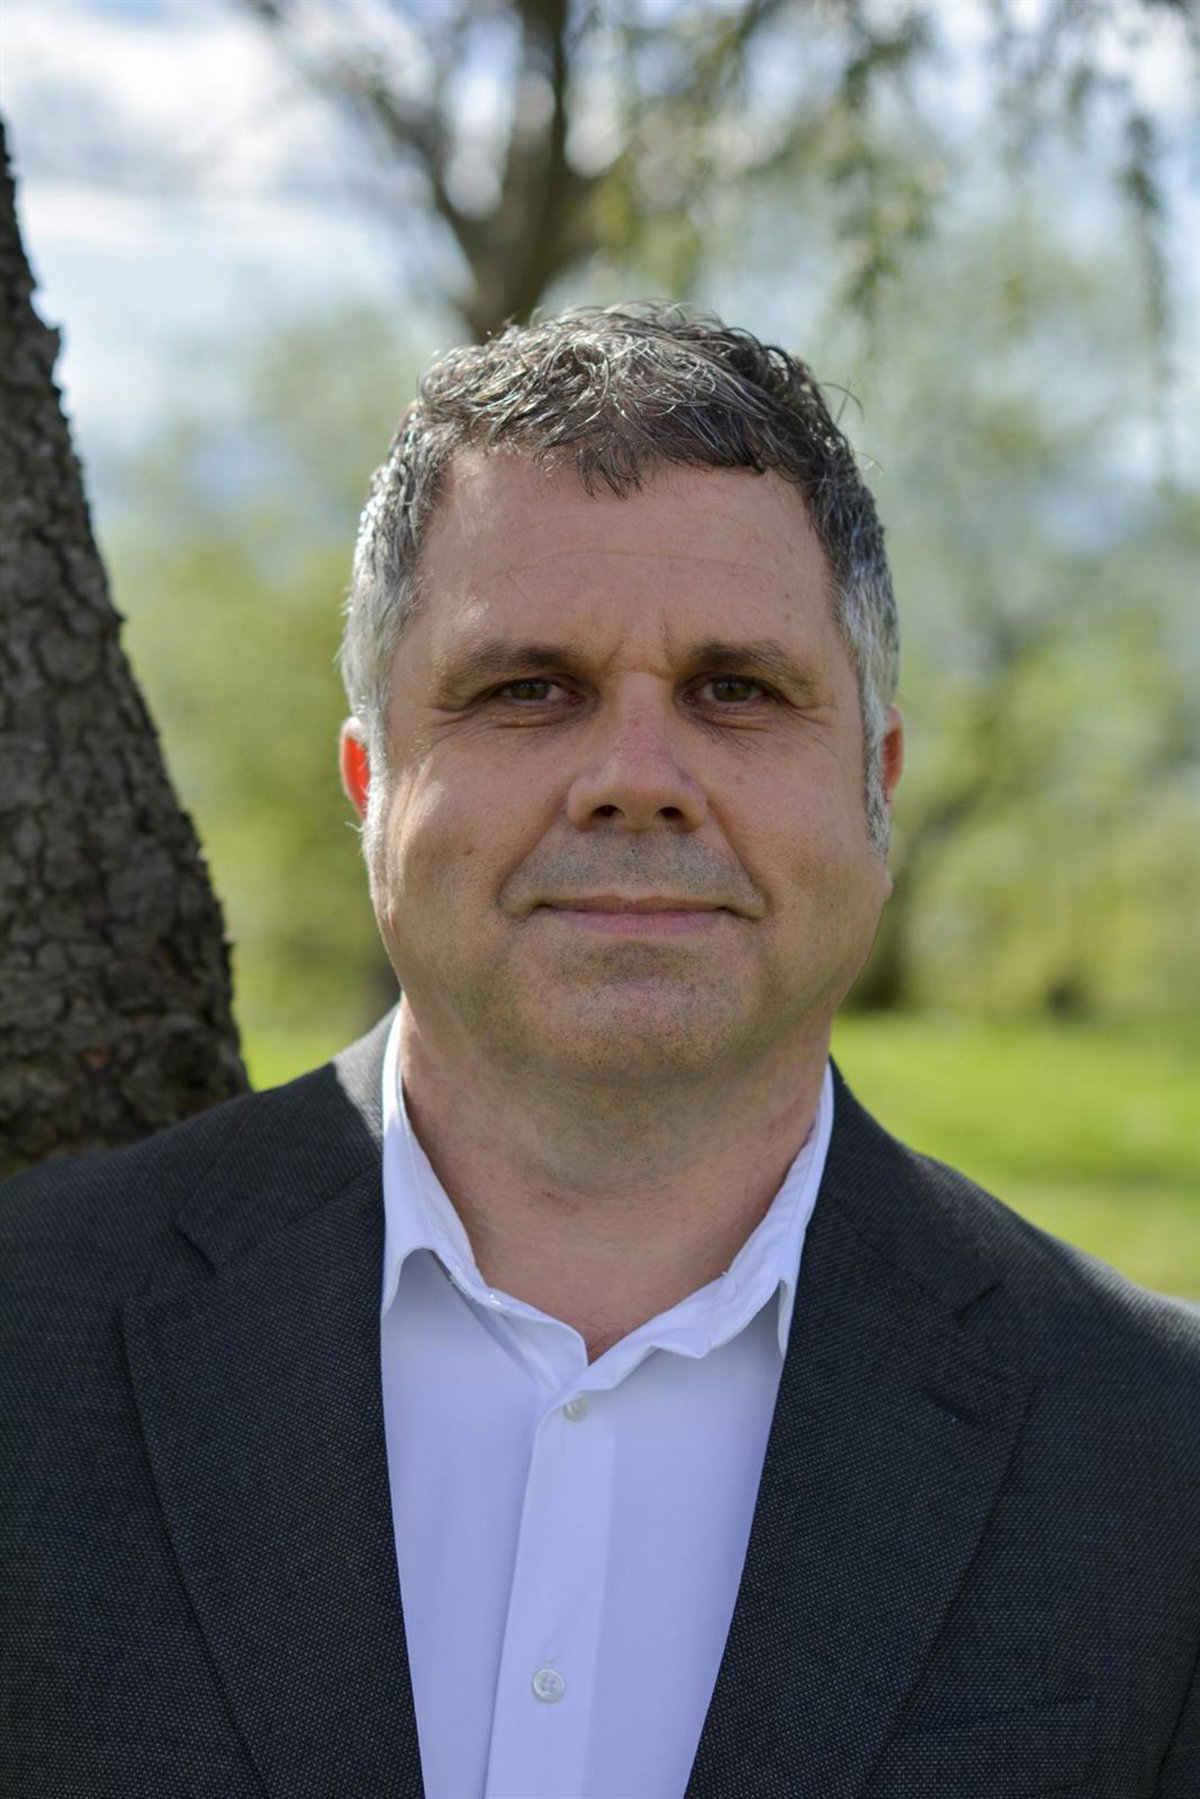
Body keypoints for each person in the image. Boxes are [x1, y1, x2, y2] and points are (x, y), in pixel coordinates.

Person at [2, 303, 1197, 1799]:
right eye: (530, 689)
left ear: (876, 788)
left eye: (735, 691)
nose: (638, 780)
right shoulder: (28, 1335)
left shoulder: (1160, 1451)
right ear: (372, 782)